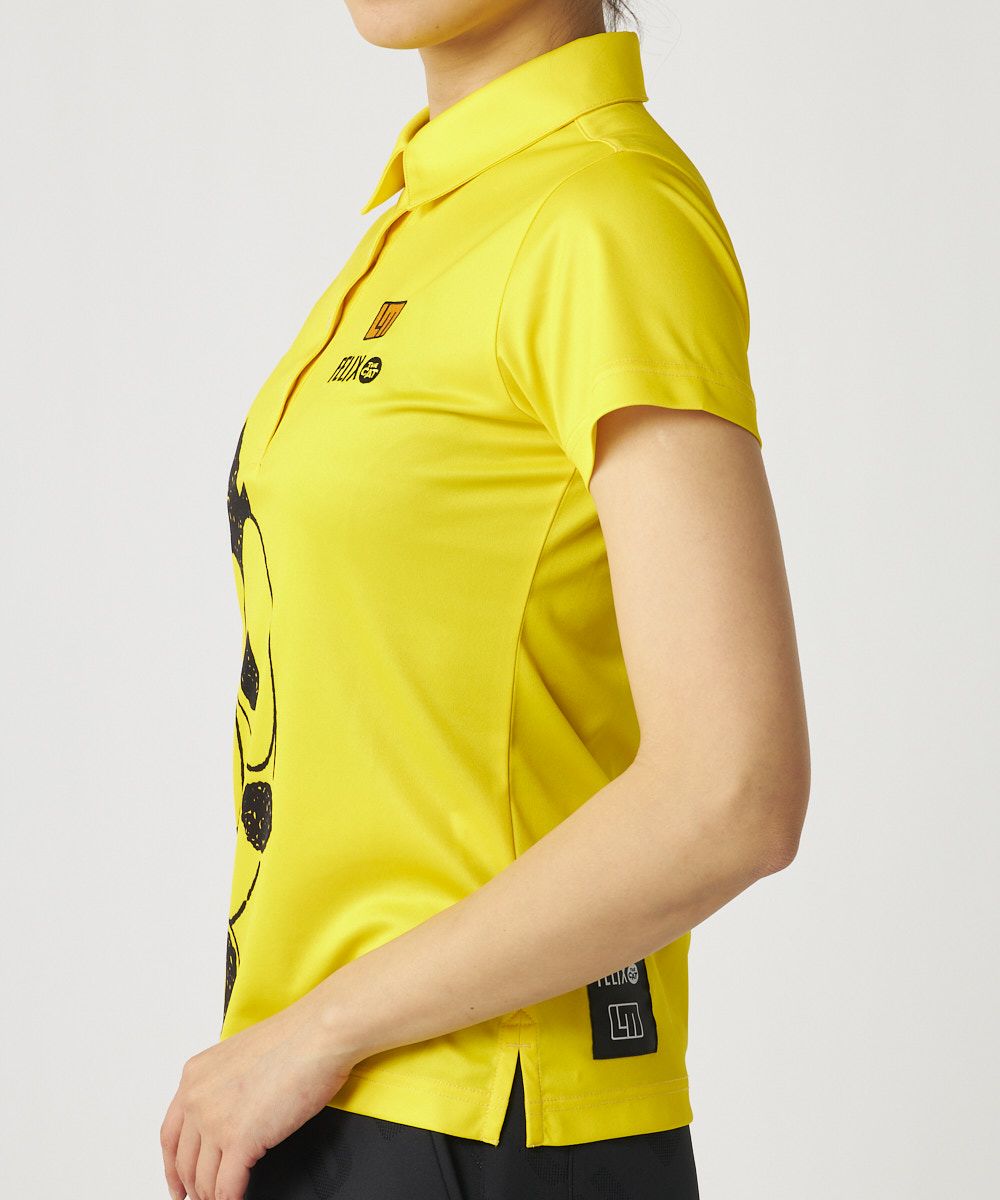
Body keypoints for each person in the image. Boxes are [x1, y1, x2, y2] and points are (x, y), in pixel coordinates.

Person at [160, 2, 811, 1198]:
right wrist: (290, 1050)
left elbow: (731, 793)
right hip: (330, 1105)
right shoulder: (428, 219)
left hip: (476, 1123)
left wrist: (318, 1031)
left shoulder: (604, 214)